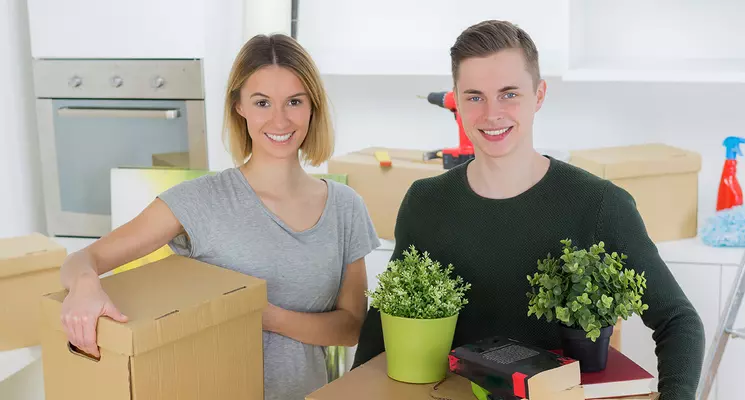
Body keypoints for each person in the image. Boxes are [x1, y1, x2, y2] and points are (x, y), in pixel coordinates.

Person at [352, 20, 704, 400]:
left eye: (508, 94)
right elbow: (385, 324)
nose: (491, 114)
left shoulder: (598, 204)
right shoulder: (426, 201)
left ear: (539, 95)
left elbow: (678, 321)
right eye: (474, 97)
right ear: (456, 100)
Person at [59, 33, 380, 400]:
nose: (279, 119)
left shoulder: (345, 206)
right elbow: (84, 258)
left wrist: (261, 314)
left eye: (294, 101)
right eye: (262, 102)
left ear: (313, 107)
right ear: (239, 106)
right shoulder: (200, 201)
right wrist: (84, 288)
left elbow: (351, 327)